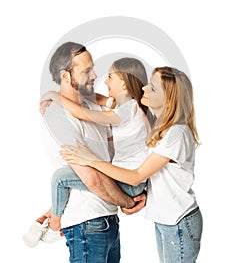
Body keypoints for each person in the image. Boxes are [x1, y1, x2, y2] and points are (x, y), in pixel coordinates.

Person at [61, 66, 203, 263]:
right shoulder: (162, 127)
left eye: (152, 88)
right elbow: (160, 174)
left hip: (179, 221)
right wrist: (146, 196)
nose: (144, 88)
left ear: (169, 100)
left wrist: (91, 160)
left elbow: (137, 175)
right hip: (168, 219)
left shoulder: (175, 134)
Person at [23, 42, 145, 263]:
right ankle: (54, 222)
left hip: (107, 221)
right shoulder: (58, 116)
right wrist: (128, 202)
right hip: (87, 226)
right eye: (86, 70)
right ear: (66, 76)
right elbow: (90, 177)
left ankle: (53, 219)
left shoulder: (94, 108)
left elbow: (101, 164)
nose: (95, 75)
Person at [40, 57, 152, 234]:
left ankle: (55, 225)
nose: (105, 81)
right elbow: (96, 98)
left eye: (110, 76)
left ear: (124, 84)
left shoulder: (126, 110)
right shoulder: (125, 105)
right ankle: (52, 213)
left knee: (60, 178)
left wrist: (53, 96)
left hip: (128, 182)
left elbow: (82, 113)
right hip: (129, 180)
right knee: (77, 177)